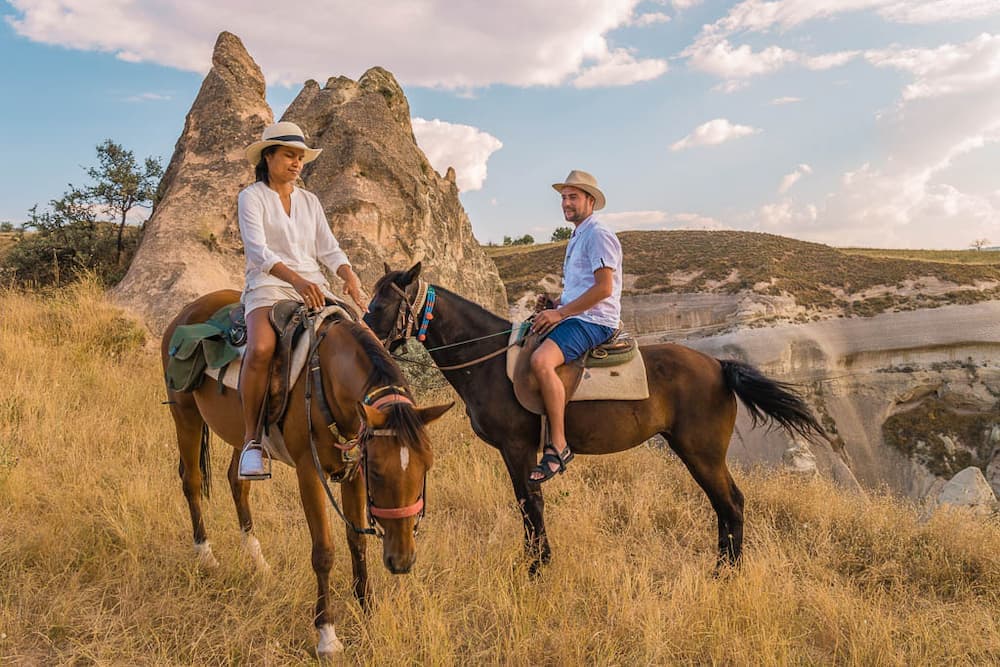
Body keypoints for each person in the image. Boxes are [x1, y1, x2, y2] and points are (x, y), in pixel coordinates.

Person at [236, 121, 365, 480]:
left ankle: (358, 432)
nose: (297, 163)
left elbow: (329, 248)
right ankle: (252, 442)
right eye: (290, 155)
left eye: (301, 157)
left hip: (314, 286)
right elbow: (258, 251)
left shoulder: (310, 201)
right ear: (269, 156)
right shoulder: (252, 197)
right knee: (261, 347)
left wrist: (350, 278)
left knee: (360, 341)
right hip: (268, 285)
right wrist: (296, 278)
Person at [529, 170, 622, 483]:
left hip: (594, 320)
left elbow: (604, 288)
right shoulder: (579, 233)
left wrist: (561, 314)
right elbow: (582, 285)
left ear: (590, 201)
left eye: (573, 197)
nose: (566, 203)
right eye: (563, 198)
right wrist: (556, 306)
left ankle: (558, 444)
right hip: (576, 314)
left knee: (541, 361)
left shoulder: (598, 233)